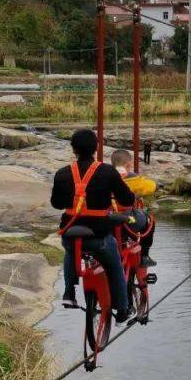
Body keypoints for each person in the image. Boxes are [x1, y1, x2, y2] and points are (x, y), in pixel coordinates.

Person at [51, 129, 134, 322]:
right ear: (96, 148)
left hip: (70, 232)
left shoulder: (62, 173)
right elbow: (127, 198)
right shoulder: (107, 171)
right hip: (100, 234)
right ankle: (122, 309)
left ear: (73, 149)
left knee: (70, 250)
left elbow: (56, 204)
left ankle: (69, 293)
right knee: (114, 267)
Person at [110, 148, 157, 267]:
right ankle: (144, 256)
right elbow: (151, 187)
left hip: (107, 220)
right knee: (149, 220)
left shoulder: (105, 175)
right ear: (128, 164)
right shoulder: (132, 178)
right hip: (128, 221)